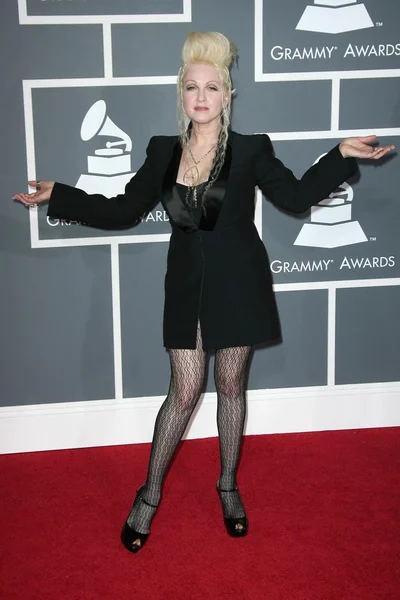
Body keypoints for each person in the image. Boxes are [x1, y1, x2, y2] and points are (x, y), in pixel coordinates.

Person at [13, 31, 395, 553]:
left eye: (211, 87)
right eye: (192, 86)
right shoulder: (162, 152)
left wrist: (338, 155)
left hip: (239, 282)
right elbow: (122, 210)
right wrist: (61, 193)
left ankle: (228, 485)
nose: (201, 96)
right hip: (186, 285)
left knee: (232, 386)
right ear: (182, 94)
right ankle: (149, 494)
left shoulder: (252, 150)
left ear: (227, 95)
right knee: (185, 390)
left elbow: (297, 197)